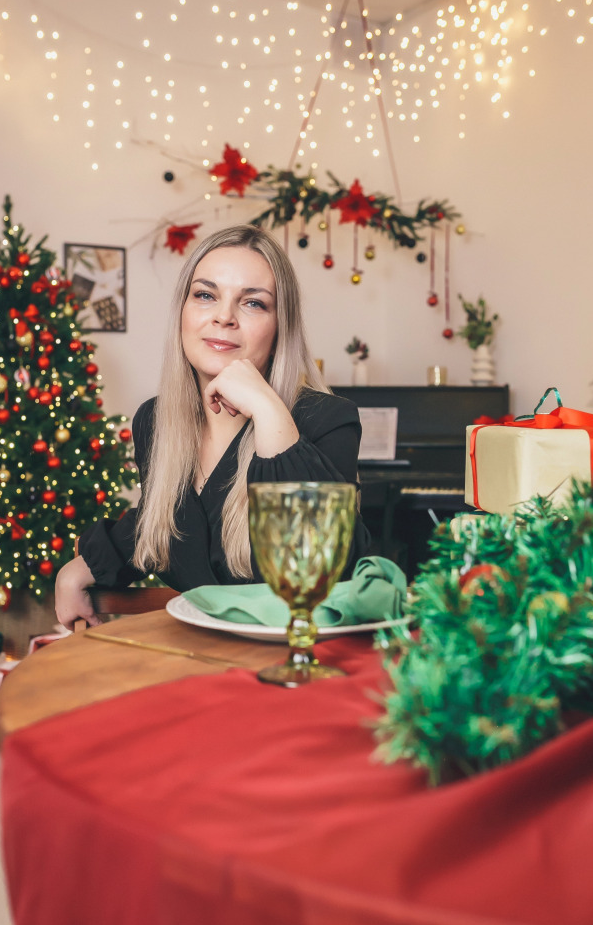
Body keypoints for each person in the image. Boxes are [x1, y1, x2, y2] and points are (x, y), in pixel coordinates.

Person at [55, 224, 370, 629]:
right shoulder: (155, 421)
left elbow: (323, 572)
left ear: (279, 328)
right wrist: (79, 569)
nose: (224, 317)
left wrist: (268, 412)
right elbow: (169, 520)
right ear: (183, 312)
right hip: (195, 666)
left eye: (253, 304)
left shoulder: (327, 420)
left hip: (294, 669)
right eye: (205, 295)